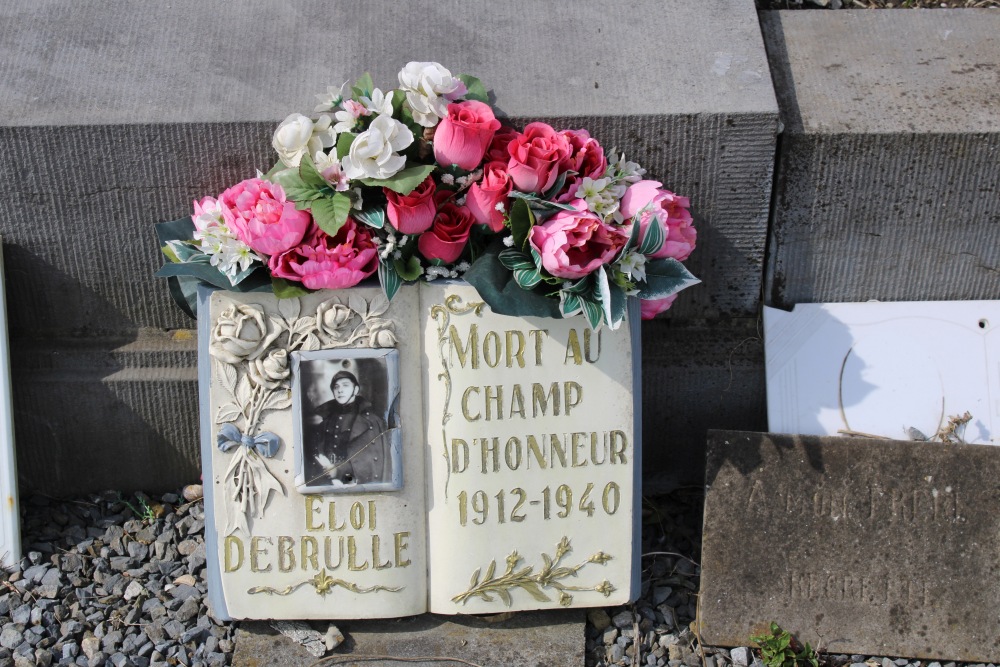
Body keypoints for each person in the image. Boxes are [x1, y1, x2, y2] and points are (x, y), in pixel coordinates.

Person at [306, 369, 392, 487]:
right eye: (336, 387)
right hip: (328, 484)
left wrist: (338, 470)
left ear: (355, 390)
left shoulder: (372, 422)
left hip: (359, 485)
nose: (340, 390)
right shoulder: (325, 422)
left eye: (345, 385)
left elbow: (371, 461)